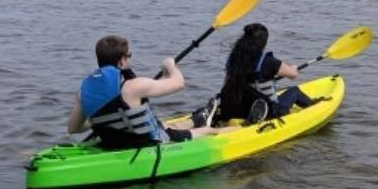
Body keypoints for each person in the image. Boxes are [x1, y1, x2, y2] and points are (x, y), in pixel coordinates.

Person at [67, 35, 236, 149]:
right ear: (121, 61)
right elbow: (178, 83)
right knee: (209, 132)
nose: (129, 59)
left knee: (168, 125)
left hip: (113, 143)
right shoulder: (134, 86)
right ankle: (247, 129)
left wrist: (101, 118)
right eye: (129, 56)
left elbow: (74, 128)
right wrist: (170, 65)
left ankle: (199, 118)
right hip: (148, 143)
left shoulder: (84, 90)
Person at [218, 23, 318, 122]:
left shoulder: (234, 60)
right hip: (267, 109)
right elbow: (293, 75)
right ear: (263, 43)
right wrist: (293, 68)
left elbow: (226, 85)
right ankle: (314, 110)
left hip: (241, 108)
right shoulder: (269, 61)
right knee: (295, 91)